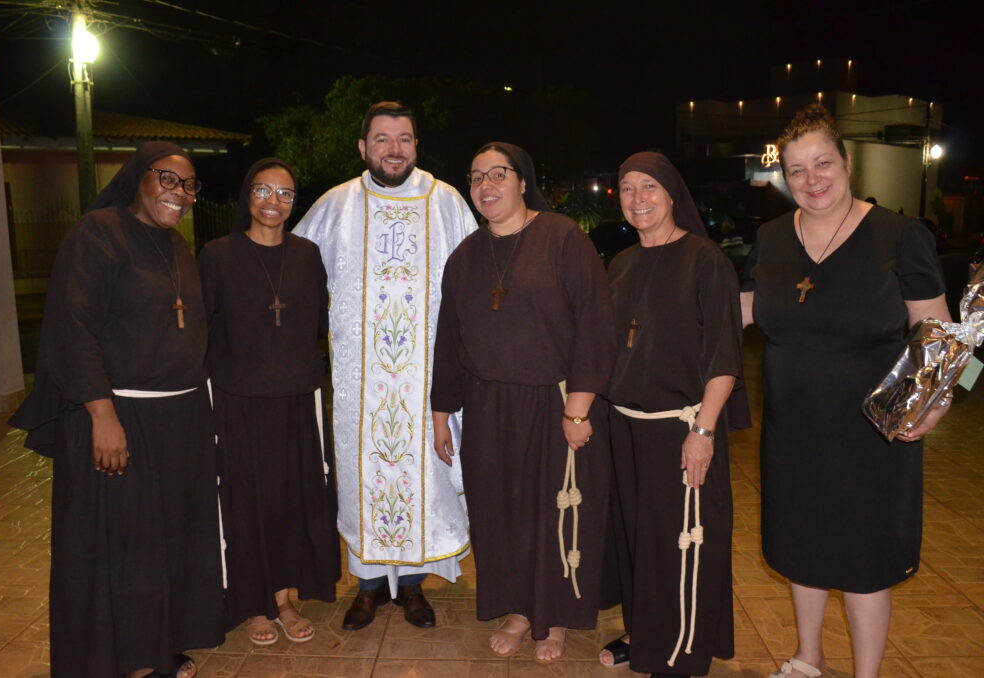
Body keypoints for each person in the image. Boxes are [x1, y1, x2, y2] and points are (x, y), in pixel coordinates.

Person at [740, 105, 951, 678]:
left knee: (862, 561)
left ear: (847, 163)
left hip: (872, 434)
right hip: (793, 429)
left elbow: (945, 339)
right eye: (797, 170)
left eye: (822, 163)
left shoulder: (898, 235)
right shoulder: (772, 238)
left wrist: (940, 402)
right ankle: (808, 658)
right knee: (801, 551)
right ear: (784, 175)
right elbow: (742, 311)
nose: (812, 180)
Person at [9, 142, 223, 678]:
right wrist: (102, 415)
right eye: (167, 179)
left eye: (189, 184)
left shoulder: (175, 247)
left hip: (178, 421)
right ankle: (125, 661)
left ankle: (155, 646)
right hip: (121, 418)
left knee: (165, 544)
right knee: (125, 550)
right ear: (137, 179)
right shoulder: (97, 234)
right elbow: (71, 330)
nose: (180, 193)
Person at [292, 101, 477, 630]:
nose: (393, 150)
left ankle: (414, 586)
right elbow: (292, 275)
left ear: (417, 145)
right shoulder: (336, 205)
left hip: (426, 381)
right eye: (382, 139)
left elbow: (474, 281)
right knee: (361, 481)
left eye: (404, 139)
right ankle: (369, 586)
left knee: (424, 479)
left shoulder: (445, 201)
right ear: (363, 147)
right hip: (358, 384)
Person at [431, 142, 617, 663]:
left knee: (551, 511)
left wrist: (578, 408)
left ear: (521, 180)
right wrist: (441, 412)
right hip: (487, 406)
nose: (486, 186)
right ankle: (518, 609)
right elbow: (449, 338)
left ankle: (552, 615)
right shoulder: (465, 256)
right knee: (500, 512)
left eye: (498, 174)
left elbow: (594, 325)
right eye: (476, 178)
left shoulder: (561, 238)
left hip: (554, 402)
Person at [598, 152, 746, 677]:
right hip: (625, 429)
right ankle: (643, 633)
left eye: (649, 188)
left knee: (682, 543)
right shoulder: (621, 264)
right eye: (627, 188)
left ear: (671, 194)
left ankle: (681, 644)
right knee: (637, 540)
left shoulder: (706, 261)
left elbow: (725, 357)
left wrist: (704, 431)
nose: (637, 199)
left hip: (683, 427)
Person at [198, 158, 339, 647]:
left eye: (284, 194)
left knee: (287, 504)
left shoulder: (307, 255)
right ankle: (252, 604)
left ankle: (282, 599)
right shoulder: (217, 256)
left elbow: (319, 327)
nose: (273, 202)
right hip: (239, 401)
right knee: (246, 503)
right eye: (263, 190)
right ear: (247, 196)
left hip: (297, 401)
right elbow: (203, 333)